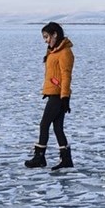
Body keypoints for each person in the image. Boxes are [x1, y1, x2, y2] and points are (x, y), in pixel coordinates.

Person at [24, 21, 75, 170]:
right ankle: (66, 160)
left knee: (44, 124)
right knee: (58, 127)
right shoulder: (54, 51)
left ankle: (39, 157)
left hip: (58, 96)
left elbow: (66, 76)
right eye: (44, 38)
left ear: (55, 35)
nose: (45, 40)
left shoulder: (65, 53)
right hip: (55, 94)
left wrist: (65, 97)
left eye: (47, 37)